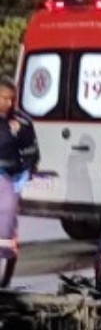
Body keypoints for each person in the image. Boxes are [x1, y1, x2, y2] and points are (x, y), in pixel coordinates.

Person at [0, 77, 39, 288]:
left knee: (6, 230)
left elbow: (32, 153)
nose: (7, 103)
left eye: (10, 99)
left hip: (9, 178)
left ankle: (5, 278)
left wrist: (25, 174)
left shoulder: (21, 123)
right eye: (3, 98)